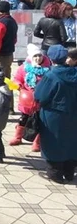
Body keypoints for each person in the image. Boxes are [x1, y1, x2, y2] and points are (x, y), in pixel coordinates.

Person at [34, 45, 77, 183]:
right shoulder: (75, 73)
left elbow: (40, 95)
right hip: (74, 114)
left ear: (51, 59)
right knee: (72, 141)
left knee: (53, 142)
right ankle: (69, 172)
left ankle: (55, 173)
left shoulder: (51, 75)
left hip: (54, 116)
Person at [10, 43, 50, 151]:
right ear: (30, 57)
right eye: (35, 56)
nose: (38, 58)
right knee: (23, 119)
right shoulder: (24, 68)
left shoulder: (48, 69)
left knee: (40, 122)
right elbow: (17, 79)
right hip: (27, 100)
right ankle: (18, 137)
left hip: (41, 101)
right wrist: (18, 85)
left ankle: (36, 142)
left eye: (39, 56)